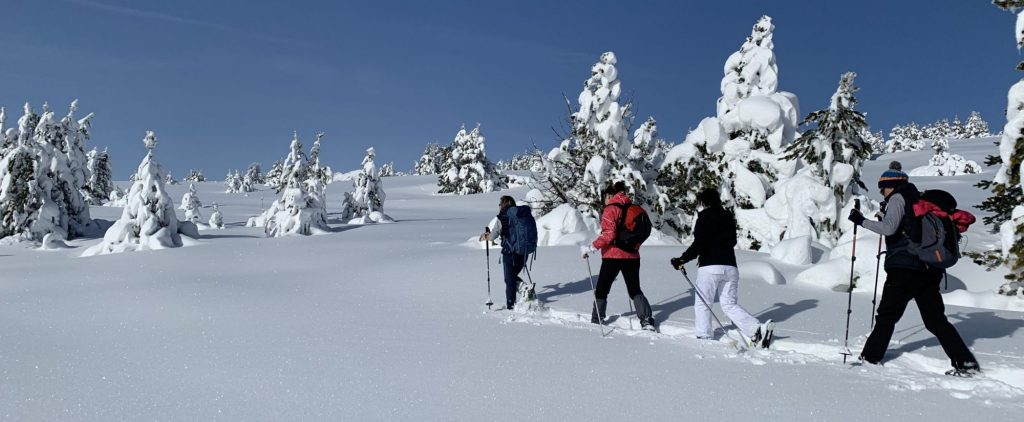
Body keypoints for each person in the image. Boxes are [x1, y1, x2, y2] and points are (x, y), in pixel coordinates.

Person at [848, 167, 980, 375]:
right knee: (935, 320)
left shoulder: (898, 199)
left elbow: (888, 229)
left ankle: (870, 359)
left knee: (887, 316)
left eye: (882, 188)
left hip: (904, 269)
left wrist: (861, 221)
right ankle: (965, 363)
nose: (882, 192)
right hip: (929, 269)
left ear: (890, 186)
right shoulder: (918, 201)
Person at [669, 188, 773, 348]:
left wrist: (682, 259)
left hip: (710, 267)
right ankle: (756, 330)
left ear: (704, 202)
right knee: (729, 304)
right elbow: (732, 242)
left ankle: (704, 336)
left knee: (703, 303)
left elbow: (699, 244)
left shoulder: (703, 218)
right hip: (730, 267)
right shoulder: (728, 217)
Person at [581, 181, 657, 331]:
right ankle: (646, 320)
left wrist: (591, 248)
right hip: (632, 255)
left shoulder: (611, 209)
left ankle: (597, 319)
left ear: (609, 195)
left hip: (612, 256)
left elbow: (608, 236)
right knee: (634, 289)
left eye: (604, 197)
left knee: (602, 288)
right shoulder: (634, 207)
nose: (604, 200)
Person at [479, 196, 528, 310]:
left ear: (504, 204)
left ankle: (511, 305)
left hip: (509, 252)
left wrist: (486, 236)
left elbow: (493, 236)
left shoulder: (503, 217)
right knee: (512, 277)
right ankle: (524, 289)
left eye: (500, 204)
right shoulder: (522, 214)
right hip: (524, 251)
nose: (499, 206)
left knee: (509, 280)